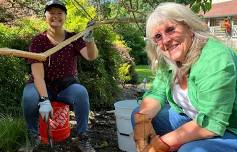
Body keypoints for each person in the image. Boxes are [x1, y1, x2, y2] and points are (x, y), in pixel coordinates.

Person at [131, 2, 237, 152]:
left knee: (191, 150)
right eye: (158, 37)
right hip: (193, 119)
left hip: (229, 127)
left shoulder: (215, 58)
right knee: (139, 116)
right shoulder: (167, 58)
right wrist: (142, 122)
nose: (165, 41)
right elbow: (157, 92)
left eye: (170, 30)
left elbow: (211, 123)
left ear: (189, 27)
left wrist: (160, 144)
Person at [21, 0, 98, 151]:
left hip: (66, 86)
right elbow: (37, 75)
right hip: (43, 85)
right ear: (45, 16)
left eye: (59, 13)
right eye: (51, 12)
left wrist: (89, 40)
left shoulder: (73, 38)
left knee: (81, 92)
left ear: (65, 16)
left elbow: (91, 56)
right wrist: (44, 99)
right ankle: (33, 137)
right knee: (29, 96)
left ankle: (82, 138)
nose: (55, 16)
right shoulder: (38, 41)